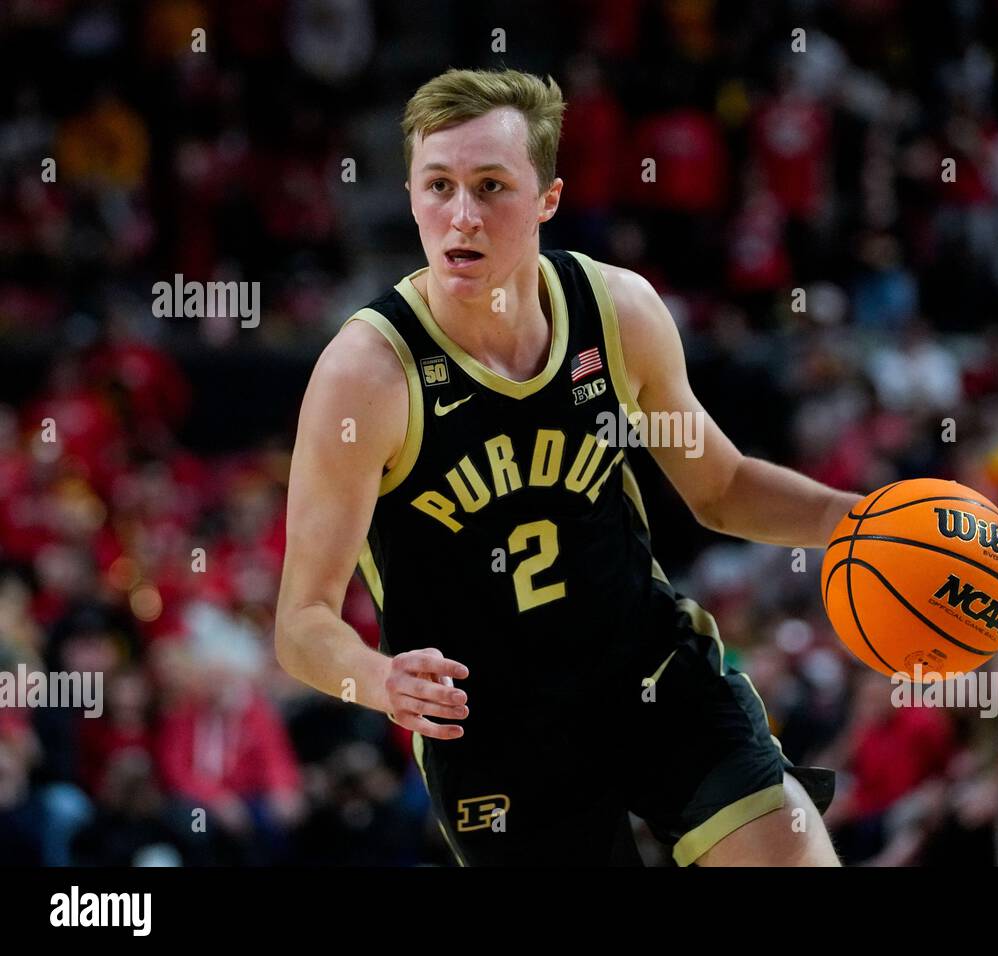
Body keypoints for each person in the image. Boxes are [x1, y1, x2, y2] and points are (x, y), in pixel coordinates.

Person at [275, 68, 860, 866]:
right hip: (495, 736)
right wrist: (378, 682)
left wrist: (846, 519)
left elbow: (719, 488)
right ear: (410, 194)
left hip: (650, 674)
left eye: (491, 186)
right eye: (437, 186)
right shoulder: (367, 376)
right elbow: (301, 625)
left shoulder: (616, 312)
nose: (462, 215)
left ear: (548, 197)